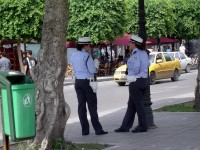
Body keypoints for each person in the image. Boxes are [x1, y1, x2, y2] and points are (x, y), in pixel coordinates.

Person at [70, 37, 108, 136]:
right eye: (89, 45)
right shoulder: (87, 56)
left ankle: (85, 130)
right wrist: (96, 65)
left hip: (78, 82)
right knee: (92, 106)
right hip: (88, 82)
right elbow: (92, 71)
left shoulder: (73, 55)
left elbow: (73, 68)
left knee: (81, 106)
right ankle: (98, 130)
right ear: (84, 45)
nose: (89, 47)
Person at [115, 35, 150, 133]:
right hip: (142, 80)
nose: (129, 44)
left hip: (136, 81)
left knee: (138, 105)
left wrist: (131, 74)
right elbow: (148, 64)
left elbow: (136, 67)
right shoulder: (143, 53)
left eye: (130, 43)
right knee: (131, 105)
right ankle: (125, 126)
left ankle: (143, 126)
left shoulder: (136, 54)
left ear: (134, 44)